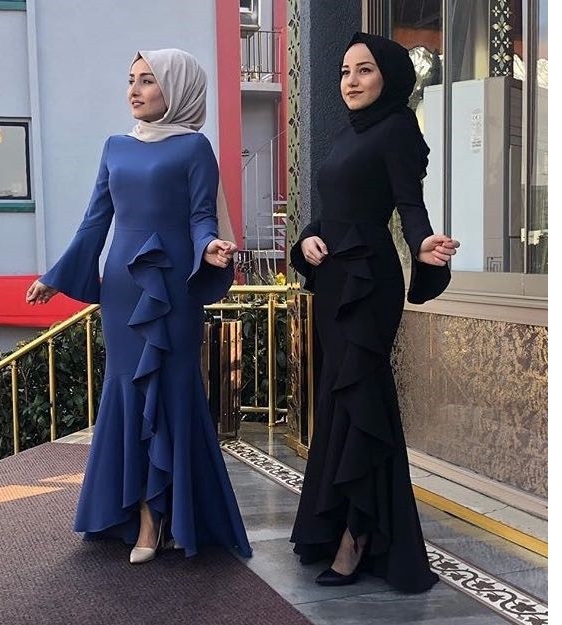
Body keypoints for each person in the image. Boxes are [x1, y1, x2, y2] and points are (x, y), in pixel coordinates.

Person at [26, 48, 252, 563]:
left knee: (172, 390)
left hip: (174, 288)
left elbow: (201, 217)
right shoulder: (114, 147)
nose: (134, 89)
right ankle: (141, 516)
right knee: (127, 389)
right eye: (131, 79)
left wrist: (208, 248)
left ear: (176, 87)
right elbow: (94, 221)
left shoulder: (194, 148)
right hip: (124, 289)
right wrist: (56, 276)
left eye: (148, 80)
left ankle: (166, 517)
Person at [289, 32, 460, 593]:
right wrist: (308, 239)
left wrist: (422, 244)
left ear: (389, 75)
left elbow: (409, 203)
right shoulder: (345, 134)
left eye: (363, 69)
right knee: (339, 401)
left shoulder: (397, 128)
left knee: (362, 397)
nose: (351, 80)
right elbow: (331, 210)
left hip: (369, 284)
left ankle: (357, 536)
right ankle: (337, 524)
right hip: (334, 279)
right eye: (344, 71)